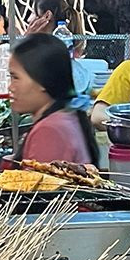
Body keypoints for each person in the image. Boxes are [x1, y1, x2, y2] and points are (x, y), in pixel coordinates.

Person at [9, 34, 98, 165]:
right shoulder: (64, 118)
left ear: (42, 82)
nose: (10, 87)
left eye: (16, 78)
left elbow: (40, 184)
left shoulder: (49, 132)